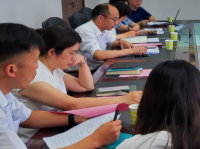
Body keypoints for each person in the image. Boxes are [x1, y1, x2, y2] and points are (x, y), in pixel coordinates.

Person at [14, 25, 143, 142]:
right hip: (34, 139)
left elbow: (86, 86)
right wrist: (122, 100)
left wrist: (82, 63)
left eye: (76, 53)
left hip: (54, 127)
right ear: (52, 52)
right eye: (72, 53)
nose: (74, 57)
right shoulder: (32, 76)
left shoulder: (54, 68)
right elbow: (72, 104)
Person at [76, 3, 147, 69]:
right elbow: (99, 55)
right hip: (89, 70)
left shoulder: (104, 28)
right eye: (114, 19)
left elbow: (111, 44)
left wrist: (120, 43)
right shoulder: (85, 31)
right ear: (100, 18)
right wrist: (131, 51)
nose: (116, 23)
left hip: (101, 65)